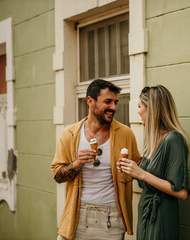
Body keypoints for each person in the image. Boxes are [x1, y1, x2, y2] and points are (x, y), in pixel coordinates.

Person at [51, 79, 141, 240]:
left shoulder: (125, 134)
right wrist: (77, 164)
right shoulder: (69, 134)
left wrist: (130, 170)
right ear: (90, 102)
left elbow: (138, 170)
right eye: (108, 101)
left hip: (111, 219)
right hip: (75, 215)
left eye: (115, 102)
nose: (113, 107)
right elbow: (57, 175)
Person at [117, 85, 190, 240]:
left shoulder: (174, 140)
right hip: (146, 212)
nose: (138, 112)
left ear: (152, 109)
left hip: (162, 214)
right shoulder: (154, 141)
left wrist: (141, 173)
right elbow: (150, 178)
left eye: (140, 107)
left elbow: (181, 192)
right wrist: (131, 170)